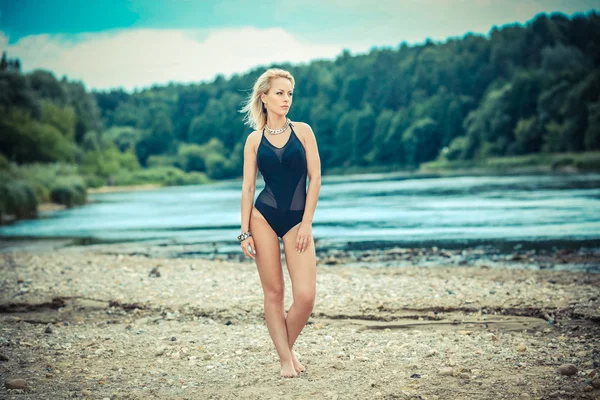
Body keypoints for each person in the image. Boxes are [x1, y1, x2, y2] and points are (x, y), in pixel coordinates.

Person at [238, 68, 321, 378]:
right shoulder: (253, 140)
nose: (286, 99)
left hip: (298, 220)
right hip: (264, 216)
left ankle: (286, 348)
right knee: (274, 293)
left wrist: (307, 223)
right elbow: (248, 187)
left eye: (289, 93)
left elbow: (315, 178)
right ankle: (286, 360)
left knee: (306, 296)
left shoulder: (303, 131)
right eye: (279, 93)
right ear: (264, 98)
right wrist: (244, 230)